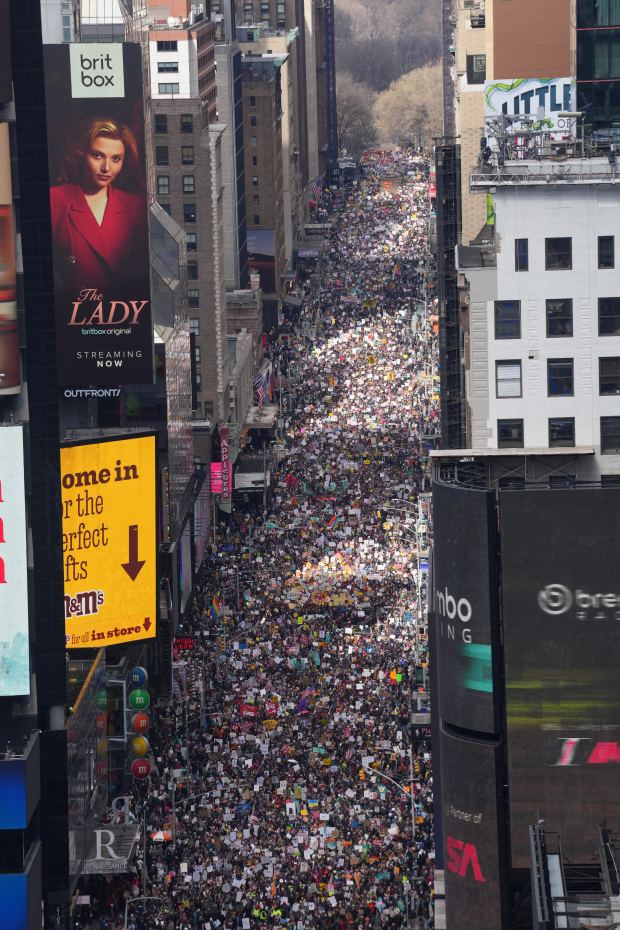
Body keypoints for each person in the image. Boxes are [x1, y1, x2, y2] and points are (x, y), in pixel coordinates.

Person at [49, 117, 148, 293]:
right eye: (97, 155)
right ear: (81, 154)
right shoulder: (57, 199)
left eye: (116, 159)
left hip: (123, 313)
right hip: (73, 312)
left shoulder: (136, 206)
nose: (106, 168)